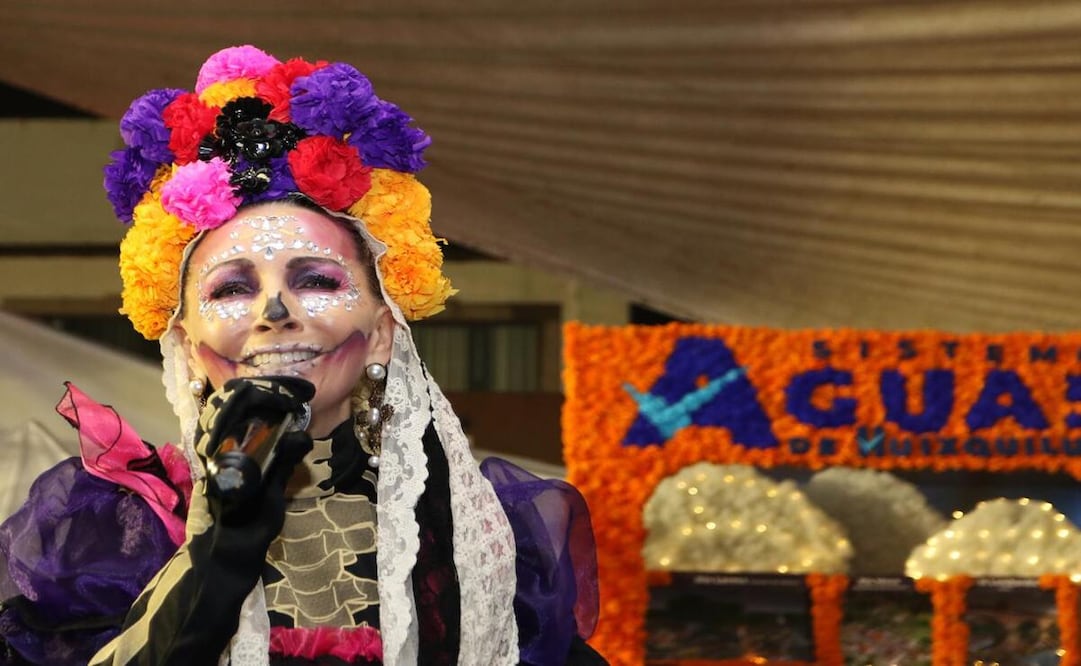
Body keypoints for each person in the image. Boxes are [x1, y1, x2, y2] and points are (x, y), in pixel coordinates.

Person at [0, 45, 605, 666]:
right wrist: (220, 551)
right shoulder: (121, 534)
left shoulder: (481, 543)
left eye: (317, 280)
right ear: (186, 343)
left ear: (382, 331)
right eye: (232, 288)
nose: (275, 311)